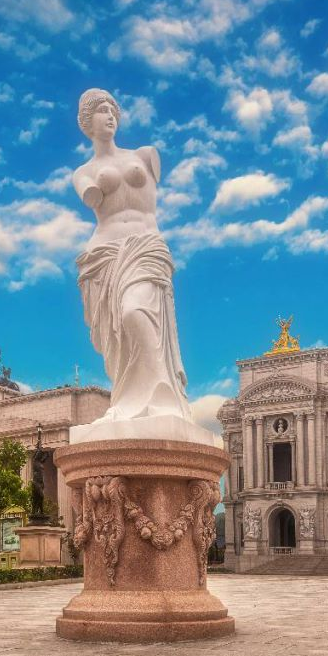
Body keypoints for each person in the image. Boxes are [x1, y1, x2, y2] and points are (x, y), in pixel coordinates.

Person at [71, 88, 192, 427]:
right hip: (106, 255)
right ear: (86, 123)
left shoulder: (145, 155)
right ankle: (128, 398)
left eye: (113, 109)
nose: (109, 115)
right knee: (119, 334)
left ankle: (162, 392)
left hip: (145, 247)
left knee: (134, 311)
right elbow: (91, 196)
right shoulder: (83, 173)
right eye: (100, 111)